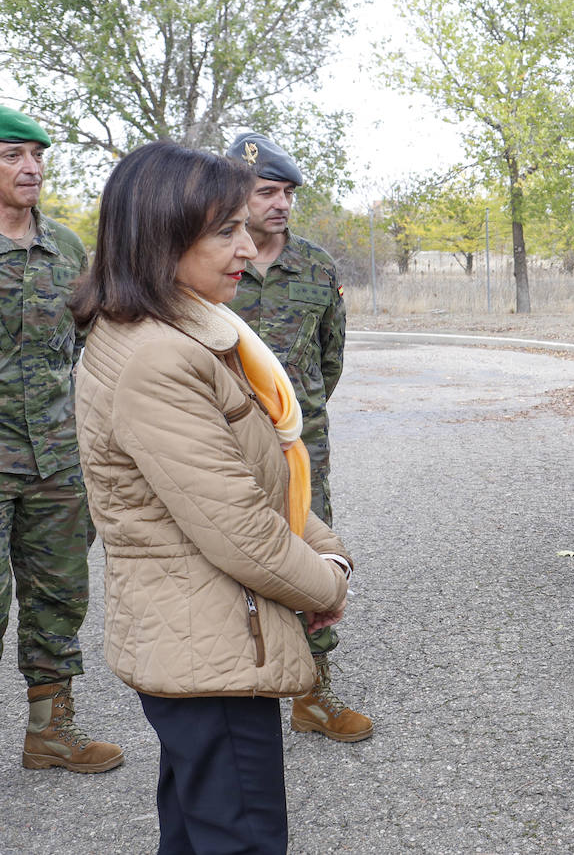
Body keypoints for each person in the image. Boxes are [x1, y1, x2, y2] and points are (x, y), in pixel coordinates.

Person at [70, 141, 353, 852]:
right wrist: (325, 583)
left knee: (198, 831)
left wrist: (325, 549)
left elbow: (257, 475)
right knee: (242, 838)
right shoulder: (160, 356)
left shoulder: (178, 330)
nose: (248, 246)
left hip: (201, 637)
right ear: (163, 237)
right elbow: (240, 530)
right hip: (212, 641)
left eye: (244, 226)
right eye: (225, 229)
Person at [224, 132, 369, 743]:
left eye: (287, 193)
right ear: (237, 195)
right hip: (221, 444)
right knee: (228, 555)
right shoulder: (208, 259)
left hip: (299, 447)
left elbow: (329, 359)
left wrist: (297, 416)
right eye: (266, 192)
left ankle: (313, 692)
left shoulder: (314, 266)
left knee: (312, 555)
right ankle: (234, 687)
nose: (280, 203)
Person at [0, 105, 124, 773]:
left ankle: (51, 734)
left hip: (54, 464)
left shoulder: (68, 248)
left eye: (37, 156)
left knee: (58, 600)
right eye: (12, 155)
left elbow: (88, 346)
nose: (30, 168)